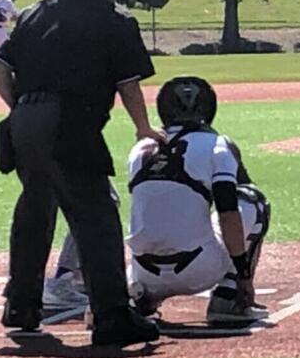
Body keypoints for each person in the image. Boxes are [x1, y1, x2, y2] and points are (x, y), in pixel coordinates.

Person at [0, 0, 164, 347]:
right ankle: (112, 316)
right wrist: (143, 128)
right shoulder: (115, 21)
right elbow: (127, 84)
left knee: (35, 211)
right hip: (70, 124)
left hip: (25, 124)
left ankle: (21, 305)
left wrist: (25, 109)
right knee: (96, 217)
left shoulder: (34, 14)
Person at [41, 77, 272, 326]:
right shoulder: (218, 145)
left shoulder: (140, 148)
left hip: (144, 272)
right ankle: (229, 296)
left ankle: (139, 296)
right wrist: (244, 274)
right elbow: (228, 211)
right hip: (200, 270)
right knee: (253, 200)